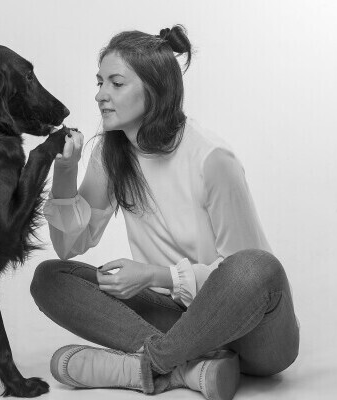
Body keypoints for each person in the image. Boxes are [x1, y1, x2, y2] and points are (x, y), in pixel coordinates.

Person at [30, 25, 299, 400]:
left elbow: (248, 278)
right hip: (175, 319)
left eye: (116, 83)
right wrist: (64, 171)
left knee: (258, 266)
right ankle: (189, 370)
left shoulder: (212, 159)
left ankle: (144, 367)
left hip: (253, 335)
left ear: (154, 90)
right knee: (50, 278)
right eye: (100, 82)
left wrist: (155, 275)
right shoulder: (110, 153)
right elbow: (68, 247)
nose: (100, 94)